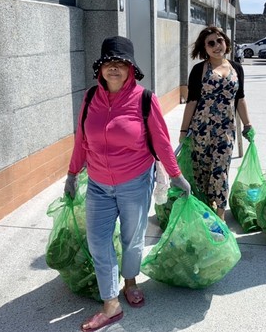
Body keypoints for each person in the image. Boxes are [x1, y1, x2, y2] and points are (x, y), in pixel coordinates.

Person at [64, 36, 191, 332]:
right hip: (97, 183)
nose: (114, 69)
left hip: (135, 182)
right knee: (98, 241)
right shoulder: (90, 97)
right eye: (109, 63)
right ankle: (110, 302)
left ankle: (130, 281)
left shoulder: (144, 98)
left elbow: (161, 140)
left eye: (121, 64)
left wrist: (175, 175)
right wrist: (71, 174)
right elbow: (81, 140)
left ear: (131, 69)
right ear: (100, 68)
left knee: (132, 239)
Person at [178, 26, 253, 221]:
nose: (216, 46)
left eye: (219, 41)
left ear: (226, 43)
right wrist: (184, 130)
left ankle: (219, 218)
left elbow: (240, 99)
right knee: (202, 172)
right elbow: (192, 102)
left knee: (220, 173)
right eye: (210, 43)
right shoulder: (199, 69)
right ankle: (204, 212)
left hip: (225, 132)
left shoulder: (237, 68)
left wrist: (248, 125)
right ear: (205, 48)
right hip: (201, 131)